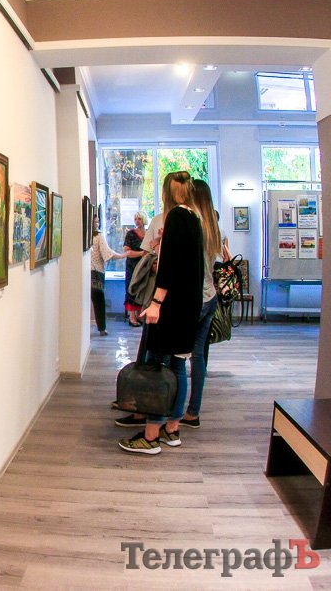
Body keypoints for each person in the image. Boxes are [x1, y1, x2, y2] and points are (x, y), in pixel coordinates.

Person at [117, 171, 204, 454]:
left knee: (158, 367)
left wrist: (156, 302)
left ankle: (151, 436)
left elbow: (170, 267)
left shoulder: (176, 216)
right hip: (188, 305)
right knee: (178, 366)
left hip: (172, 306)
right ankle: (172, 429)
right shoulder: (194, 217)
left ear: (167, 192)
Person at [181, 186, 226, 429]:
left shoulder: (193, 226)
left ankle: (168, 412)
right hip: (210, 297)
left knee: (175, 356)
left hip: (193, 299)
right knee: (198, 356)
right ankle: (193, 412)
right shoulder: (215, 228)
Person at [90, 216, 127, 336]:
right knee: (99, 301)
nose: (97, 224)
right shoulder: (98, 236)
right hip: (96, 271)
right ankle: (102, 328)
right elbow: (107, 253)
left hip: (85, 272)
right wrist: (122, 256)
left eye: (98, 222)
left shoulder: (83, 235)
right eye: (95, 222)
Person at [123, 211, 149, 326]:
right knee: (132, 288)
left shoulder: (148, 233)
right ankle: (132, 316)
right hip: (132, 266)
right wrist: (141, 254)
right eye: (136, 219)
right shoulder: (131, 234)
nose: (137, 221)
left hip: (145, 266)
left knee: (142, 289)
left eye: (139, 219)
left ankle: (140, 315)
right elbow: (126, 251)